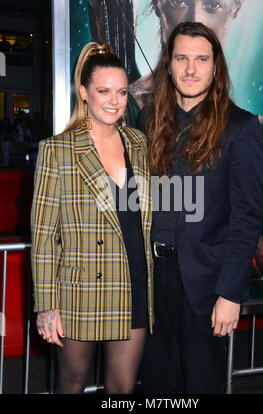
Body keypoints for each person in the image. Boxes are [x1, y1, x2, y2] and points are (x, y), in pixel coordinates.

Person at [138, 21, 263, 394]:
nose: (190, 69)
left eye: (201, 59)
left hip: (206, 287)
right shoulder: (148, 119)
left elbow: (246, 220)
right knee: (156, 386)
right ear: (169, 64)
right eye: (181, 58)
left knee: (200, 385)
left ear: (215, 67)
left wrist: (230, 295)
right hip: (150, 282)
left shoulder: (240, 127)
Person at [130, 0, 263, 296]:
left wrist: (221, 213)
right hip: (146, 290)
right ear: (157, 8)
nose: (196, 18)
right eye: (178, 2)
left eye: (214, 4)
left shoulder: (254, 131)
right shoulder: (133, 114)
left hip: (203, 292)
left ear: (237, 9)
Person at [30, 41, 153, 394]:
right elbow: (43, 237)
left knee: (122, 389)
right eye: (103, 91)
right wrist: (46, 307)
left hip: (133, 284)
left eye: (121, 92)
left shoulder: (138, 142)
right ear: (84, 93)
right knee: (71, 384)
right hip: (80, 290)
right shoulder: (58, 150)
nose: (114, 100)